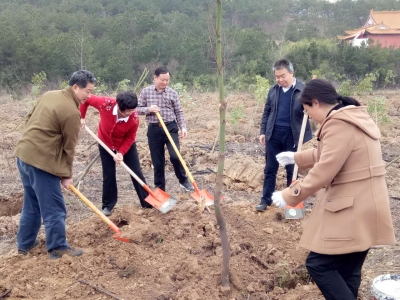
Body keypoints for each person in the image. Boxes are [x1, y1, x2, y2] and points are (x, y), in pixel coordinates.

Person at [272, 79, 396, 300]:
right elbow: (331, 153)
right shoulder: (353, 117)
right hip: (369, 206)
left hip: (352, 210)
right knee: (348, 269)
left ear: (316, 103)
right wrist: (296, 157)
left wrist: (289, 196)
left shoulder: (338, 125)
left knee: (319, 264)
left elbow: (324, 171)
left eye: (307, 109)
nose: (308, 116)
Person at [14, 70, 96, 259]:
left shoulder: (49, 95)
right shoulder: (71, 113)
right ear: (75, 87)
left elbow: (28, 118)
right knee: (55, 208)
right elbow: (69, 147)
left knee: (32, 203)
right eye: (88, 91)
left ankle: (24, 244)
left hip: (23, 155)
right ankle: (58, 247)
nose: (89, 96)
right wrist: (66, 175)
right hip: (41, 163)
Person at [80, 91, 153, 216]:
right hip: (105, 143)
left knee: (136, 172)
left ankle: (147, 203)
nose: (131, 113)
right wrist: (82, 117)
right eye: (127, 111)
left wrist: (121, 153)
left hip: (126, 145)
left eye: (132, 110)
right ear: (119, 106)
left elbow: (130, 137)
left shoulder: (134, 118)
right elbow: (86, 99)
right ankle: (108, 206)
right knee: (108, 174)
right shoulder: (105, 104)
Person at [257, 59, 312, 211]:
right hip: (273, 135)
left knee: (291, 170)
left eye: (283, 76)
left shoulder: (303, 90)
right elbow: (267, 111)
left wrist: (309, 109)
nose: (280, 79)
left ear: (291, 73)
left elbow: (313, 110)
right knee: (270, 169)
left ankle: (291, 204)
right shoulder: (273, 90)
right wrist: (263, 131)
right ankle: (265, 200)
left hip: (293, 136)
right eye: (277, 77)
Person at [137, 67, 194, 192]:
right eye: (162, 80)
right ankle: (160, 188)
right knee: (157, 162)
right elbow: (136, 109)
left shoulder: (172, 93)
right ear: (155, 78)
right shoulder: (146, 92)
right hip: (154, 129)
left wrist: (183, 127)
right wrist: (148, 109)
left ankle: (183, 181)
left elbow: (179, 111)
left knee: (175, 156)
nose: (165, 83)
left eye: (167, 80)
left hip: (170, 127)